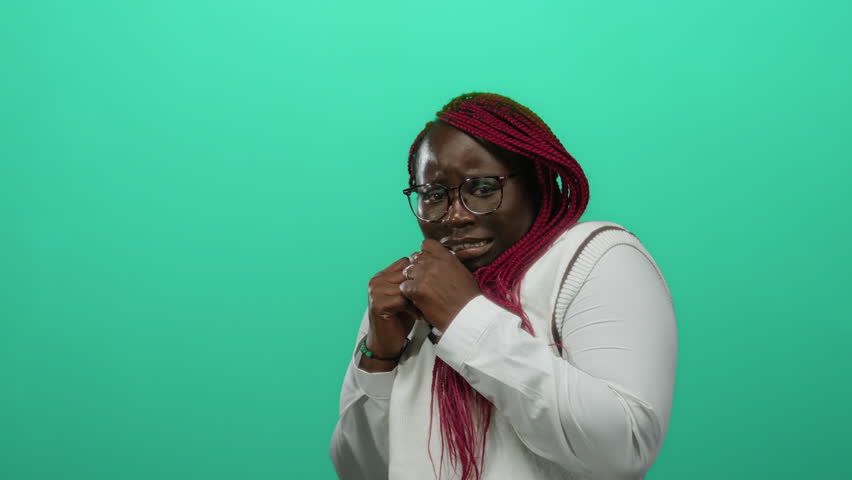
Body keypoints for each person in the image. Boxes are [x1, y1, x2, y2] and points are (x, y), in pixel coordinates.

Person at [329, 92, 677, 480]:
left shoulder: (593, 257)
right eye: (433, 195)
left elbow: (623, 449)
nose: (455, 216)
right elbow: (360, 471)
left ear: (534, 183)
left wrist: (465, 319)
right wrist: (378, 357)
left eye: (481, 189)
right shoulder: (413, 294)